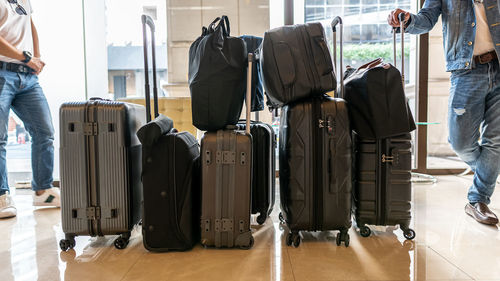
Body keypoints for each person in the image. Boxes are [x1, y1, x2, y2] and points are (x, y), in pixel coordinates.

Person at [389, 0, 500, 225]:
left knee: (496, 141)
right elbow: (426, 19)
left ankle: (478, 199)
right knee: (460, 142)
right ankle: (489, 171)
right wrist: (408, 20)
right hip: (466, 70)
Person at [0, 0, 60, 219]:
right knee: (0, 138)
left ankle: (43, 191)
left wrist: (36, 56)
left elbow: (30, 23)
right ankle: (1, 195)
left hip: (27, 77)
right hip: (2, 72)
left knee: (44, 132)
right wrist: (26, 57)